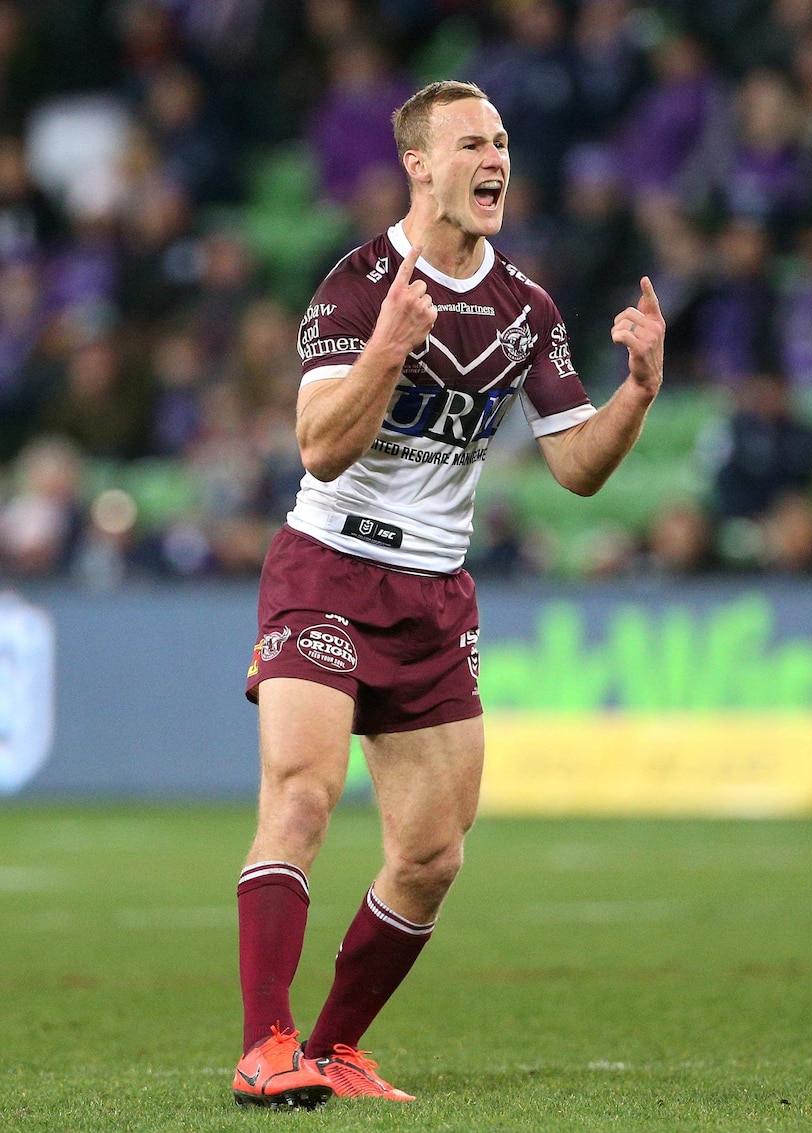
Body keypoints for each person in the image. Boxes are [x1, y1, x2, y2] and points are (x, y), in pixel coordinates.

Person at [232, 79, 664, 1111]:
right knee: (300, 795)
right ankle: (263, 1046)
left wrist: (639, 393)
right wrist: (388, 344)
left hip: (433, 594)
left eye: (504, 141)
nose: (495, 159)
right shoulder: (353, 286)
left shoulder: (526, 309)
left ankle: (330, 1051)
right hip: (327, 571)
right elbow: (320, 450)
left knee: (430, 857)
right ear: (418, 164)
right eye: (472, 142)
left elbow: (578, 471)